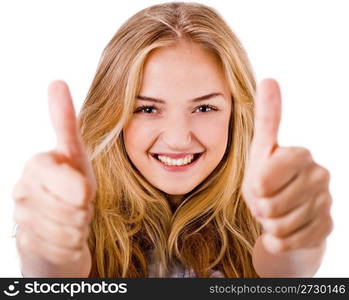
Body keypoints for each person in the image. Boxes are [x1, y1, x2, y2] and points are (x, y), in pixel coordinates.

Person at [12, 2, 333, 278]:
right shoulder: (70, 213)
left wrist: (296, 244)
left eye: (205, 107)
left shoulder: (267, 208)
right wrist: (48, 254)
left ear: (236, 113)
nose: (179, 139)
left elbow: (283, 269)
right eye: (148, 108)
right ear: (113, 113)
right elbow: (56, 271)